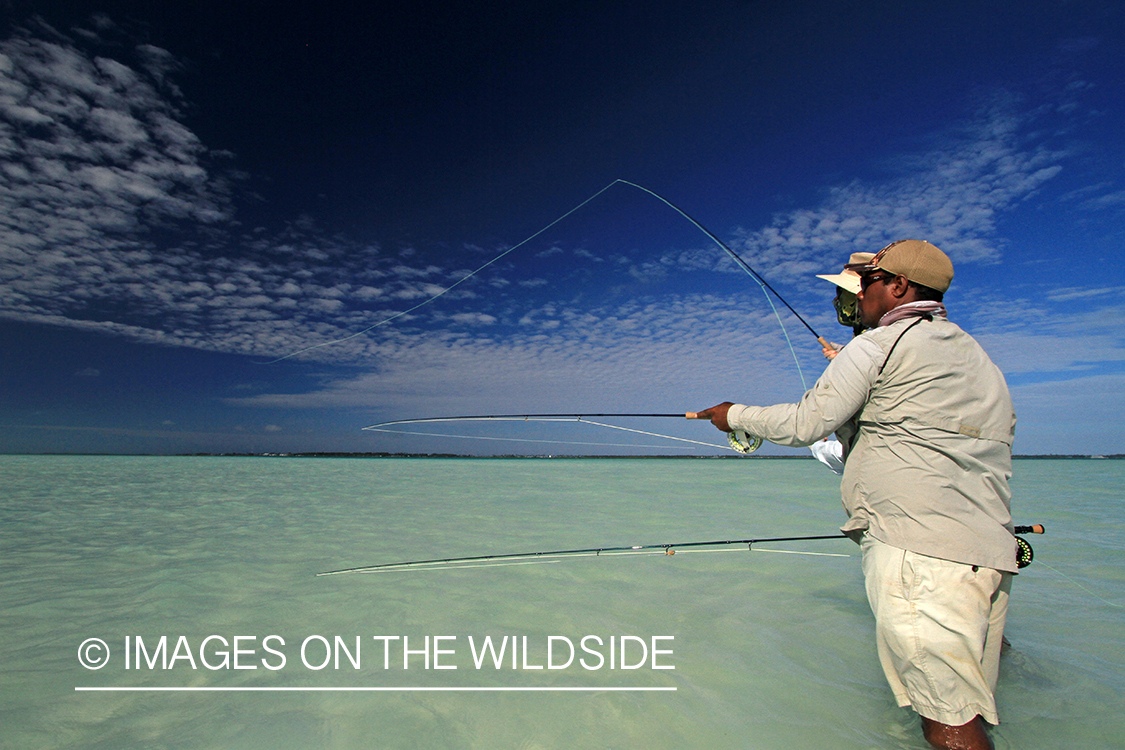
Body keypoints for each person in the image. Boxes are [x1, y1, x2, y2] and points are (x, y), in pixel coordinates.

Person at [691, 239, 1017, 750]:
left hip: (921, 554)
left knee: (950, 723)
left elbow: (804, 423)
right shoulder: (978, 360)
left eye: (867, 283)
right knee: (972, 708)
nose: (858, 295)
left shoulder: (876, 347)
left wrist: (731, 414)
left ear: (898, 286)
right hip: (991, 554)